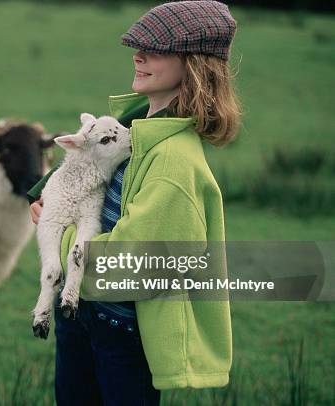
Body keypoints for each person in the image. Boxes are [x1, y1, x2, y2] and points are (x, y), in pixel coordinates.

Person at [28, 1, 240, 405]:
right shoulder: (138, 129)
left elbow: (132, 260)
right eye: (139, 46)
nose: (138, 55)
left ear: (194, 64)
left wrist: (55, 234)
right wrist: (48, 202)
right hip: (83, 314)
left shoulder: (175, 161)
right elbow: (89, 181)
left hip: (121, 333)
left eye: (157, 49)